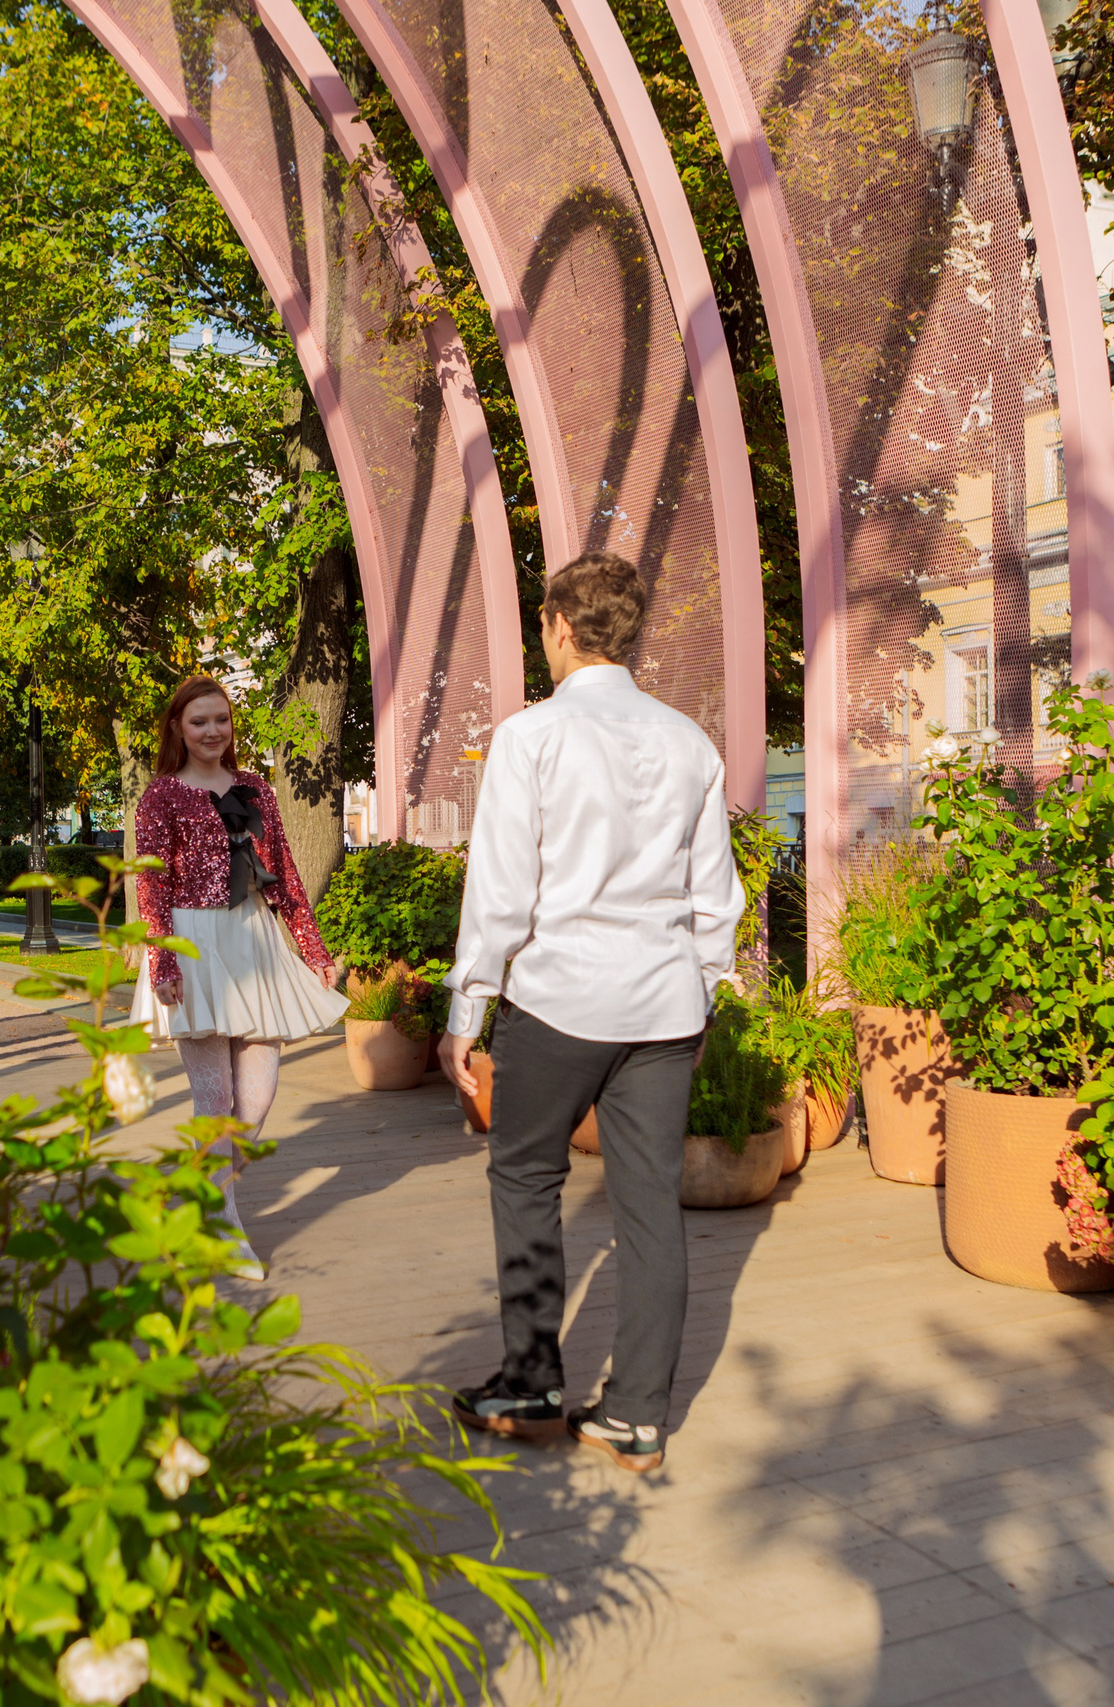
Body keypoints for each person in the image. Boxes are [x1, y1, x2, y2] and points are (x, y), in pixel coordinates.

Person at [435, 553, 743, 1474]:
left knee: (525, 1177)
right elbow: (714, 896)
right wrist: (705, 991)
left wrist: (466, 1007)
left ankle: (530, 1383)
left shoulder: (531, 737)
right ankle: (638, 1416)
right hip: (662, 1004)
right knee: (651, 1205)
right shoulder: (691, 742)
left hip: (560, 997)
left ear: (557, 626)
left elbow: (500, 892)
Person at [130, 675, 347, 1277]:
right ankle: (224, 1231)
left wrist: (314, 950)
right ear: (177, 726)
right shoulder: (161, 797)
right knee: (216, 1098)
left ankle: (202, 1194)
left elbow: (287, 877)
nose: (211, 731)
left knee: (256, 1097)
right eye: (199, 721)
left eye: (220, 720)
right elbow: (150, 882)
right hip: (192, 943)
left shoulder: (257, 790)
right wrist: (162, 959)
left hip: (252, 943)